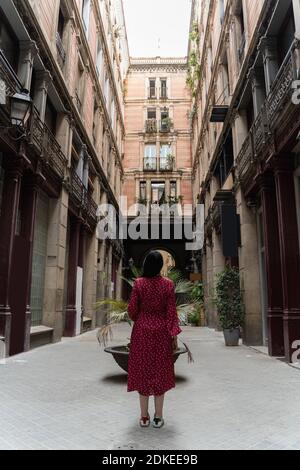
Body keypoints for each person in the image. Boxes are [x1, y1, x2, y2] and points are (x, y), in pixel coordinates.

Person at [127, 251, 182, 429]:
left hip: (142, 331)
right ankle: (158, 417)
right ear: (160, 266)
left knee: (143, 371)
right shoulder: (168, 285)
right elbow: (171, 311)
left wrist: (141, 318)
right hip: (161, 333)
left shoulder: (139, 283)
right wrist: (173, 332)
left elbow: (132, 311)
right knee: (160, 372)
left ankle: (144, 417)